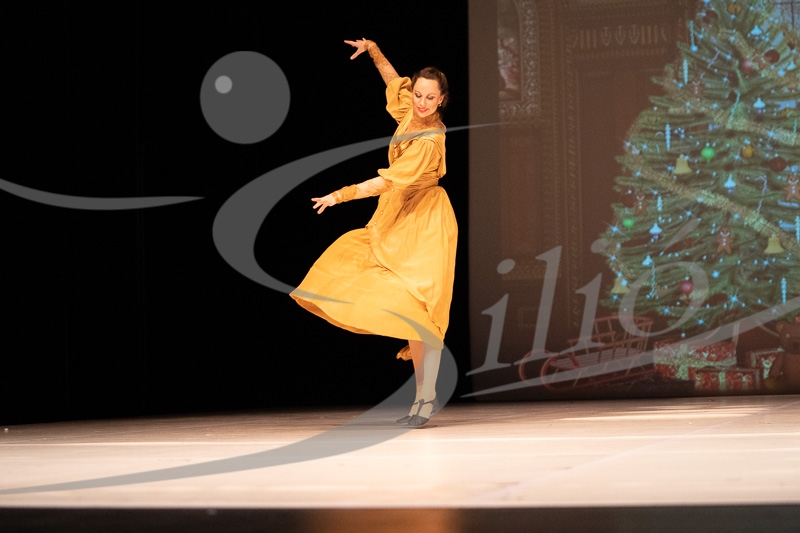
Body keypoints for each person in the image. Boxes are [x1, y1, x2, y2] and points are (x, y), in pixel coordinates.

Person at [290, 38, 457, 428]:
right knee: (402, 308)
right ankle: (424, 398)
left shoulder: (430, 140)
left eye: (429, 98)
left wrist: (340, 195)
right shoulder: (409, 112)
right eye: (418, 94)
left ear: (441, 100)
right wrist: (374, 51)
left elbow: (387, 182)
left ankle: (426, 399)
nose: (421, 102)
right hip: (398, 215)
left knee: (422, 312)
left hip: (424, 220)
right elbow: (394, 81)